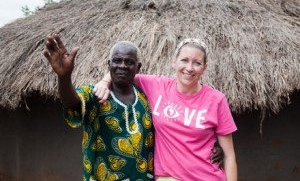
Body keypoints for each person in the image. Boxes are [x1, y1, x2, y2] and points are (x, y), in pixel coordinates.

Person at [94, 38, 238, 181]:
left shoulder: (216, 99)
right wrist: (105, 81)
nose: (189, 68)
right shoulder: (156, 86)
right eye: (184, 60)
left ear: (204, 68)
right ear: (174, 62)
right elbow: (125, 71)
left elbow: (229, 155)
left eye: (197, 63)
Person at [44, 34, 154, 181]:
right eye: (117, 60)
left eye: (129, 62)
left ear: (138, 67)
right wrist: (64, 77)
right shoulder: (96, 95)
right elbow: (73, 103)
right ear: (109, 65)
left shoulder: (146, 98)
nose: (122, 65)